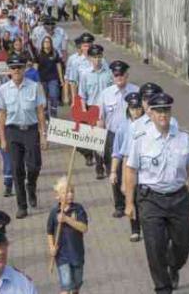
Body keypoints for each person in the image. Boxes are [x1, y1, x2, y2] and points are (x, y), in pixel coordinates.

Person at [125, 92, 189, 294]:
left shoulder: (184, 137)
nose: (163, 115)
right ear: (150, 113)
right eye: (159, 111)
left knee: (184, 244)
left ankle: (173, 264)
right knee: (154, 247)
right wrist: (129, 202)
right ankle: (163, 288)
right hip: (150, 199)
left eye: (166, 110)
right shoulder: (140, 139)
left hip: (178, 197)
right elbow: (131, 170)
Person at [0, 54, 47, 219]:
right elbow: (1, 116)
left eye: (19, 67)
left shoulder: (35, 86)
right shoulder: (3, 90)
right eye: (13, 68)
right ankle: (22, 205)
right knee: (17, 169)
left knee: (34, 166)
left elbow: (40, 112)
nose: (16, 71)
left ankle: (31, 186)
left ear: (25, 69)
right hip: (13, 132)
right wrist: (2, 139)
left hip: (31, 130)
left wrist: (43, 134)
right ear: (9, 70)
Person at [97, 60, 139, 216]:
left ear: (127, 75)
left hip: (133, 135)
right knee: (113, 169)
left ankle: (133, 200)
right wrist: (99, 141)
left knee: (132, 168)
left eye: (122, 74)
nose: (119, 77)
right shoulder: (105, 94)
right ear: (112, 76)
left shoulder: (136, 91)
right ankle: (119, 205)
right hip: (113, 135)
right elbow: (100, 119)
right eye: (116, 75)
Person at [111, 92, 144, 242]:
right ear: (128, 109)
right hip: (130, 167)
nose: (136, 112)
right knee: (131, 199)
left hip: (145, 168)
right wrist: (114, 173)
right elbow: (118, 152)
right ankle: (135, 229)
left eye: (138, 108)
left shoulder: (148, 124)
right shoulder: (124, 127)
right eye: (133, 108)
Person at [47, 177, 88, 294]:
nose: (70, 194)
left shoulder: (78, 209)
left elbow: (84, 228)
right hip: (62, 256)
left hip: (77, 254)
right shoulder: (54, 212)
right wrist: (51, 247)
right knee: (66, 286)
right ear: (58, 196)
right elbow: (49, 231)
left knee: (76, 285)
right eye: (66, 192)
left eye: (72, 191)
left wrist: (66, 219)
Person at [78, 44, 112, 179]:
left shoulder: (109, 73)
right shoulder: (85, 74)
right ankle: (99, 165)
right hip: (93, 108)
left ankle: (107, 163)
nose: (97, 60)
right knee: (97, 139)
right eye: (94, 57)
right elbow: (82, 95)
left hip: (107, 108)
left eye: (99, 57)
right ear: (90, 58)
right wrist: (84, 110)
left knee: (107, 138)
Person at [35, 36, 64, 118]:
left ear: (51, 44)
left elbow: (58, 65)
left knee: (54, 95)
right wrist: (36, 80)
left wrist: (61, 79)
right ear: (42, 44)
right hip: (42, 79)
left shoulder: (55, 53)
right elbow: (35, 67)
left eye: (48, 42)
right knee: (43, 98)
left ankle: (54, 112)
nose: (46, 43)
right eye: (45, 42)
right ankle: (46, 114)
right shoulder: (39, 54)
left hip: (53, 78)